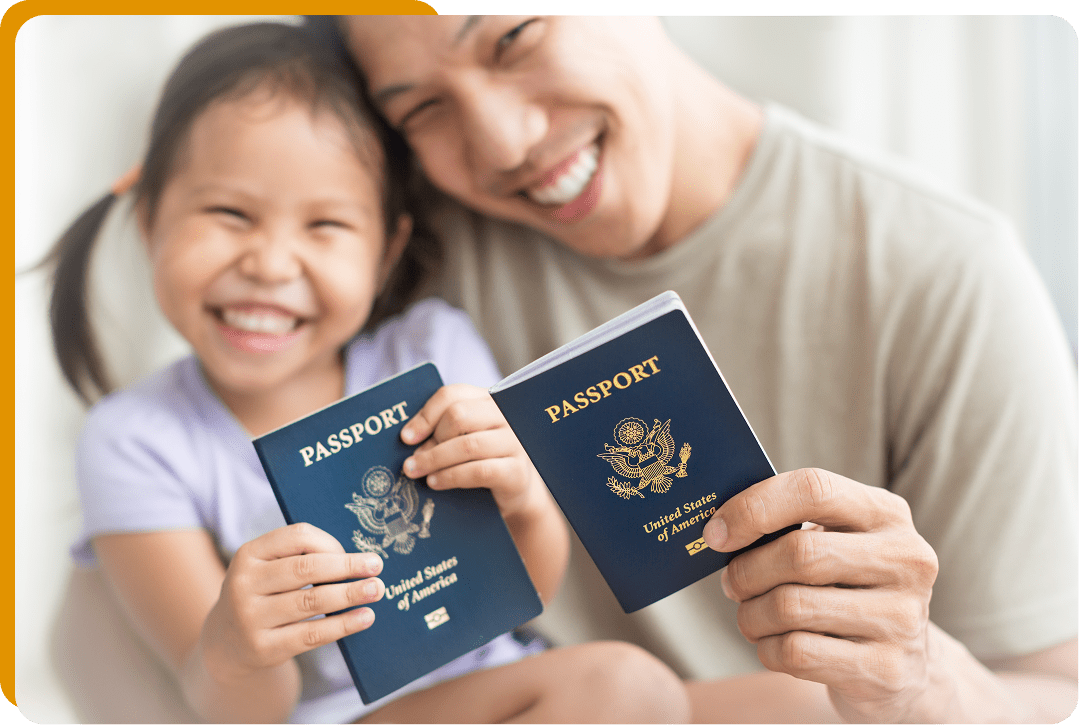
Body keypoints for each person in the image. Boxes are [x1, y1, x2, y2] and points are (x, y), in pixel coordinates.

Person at [329, 15, 1079, 724]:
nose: (502, 144)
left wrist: (919, 677)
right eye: (422, 108)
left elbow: (1055, 687)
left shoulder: (944, 271)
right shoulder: (387, 251)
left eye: (517, 36)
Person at [44, 21, 691, 725]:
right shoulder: (135, 439)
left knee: (791, 699)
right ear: (147, 220)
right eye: (230, 213)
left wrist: (526, 501)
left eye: (324, 226)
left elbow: (517, 599)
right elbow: (237, 710)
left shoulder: (431, 351)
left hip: (509, 681)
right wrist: (234, 645)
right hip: (337, 715)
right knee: (624, 687)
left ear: (387, 253)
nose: (269, 263)